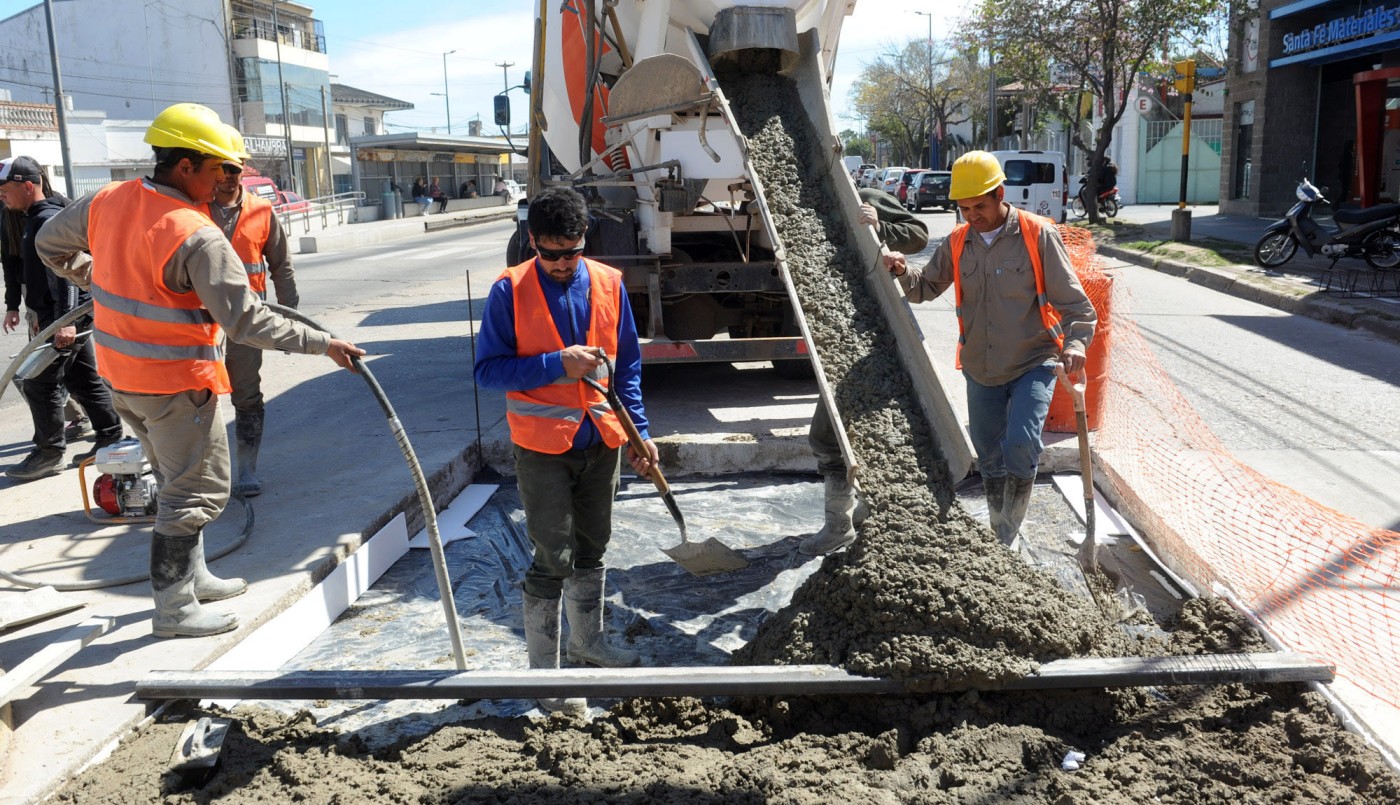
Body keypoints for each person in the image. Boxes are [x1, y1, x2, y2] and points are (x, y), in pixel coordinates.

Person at [37, 103, 366, 639]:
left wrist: (96, 277)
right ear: (186, 165)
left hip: (122, 376)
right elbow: (246, 321)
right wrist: (323, 344)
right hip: (176, 385)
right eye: (219, 169)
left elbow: (48, 243)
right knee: (195, 495)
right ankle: (173, 609)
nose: (228, 180)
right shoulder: (196, 233)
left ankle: (195, 579)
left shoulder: (108, 200)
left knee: (173, 480)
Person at [474, 186, 657, 714]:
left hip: (602, 439)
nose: (560, 263)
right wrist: (557, 363)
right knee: (552, 556)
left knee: (593, 546)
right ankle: (545, 680)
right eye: (549, 252)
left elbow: (627, 369)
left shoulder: (609, 284)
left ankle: (587, 642)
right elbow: (488, 369)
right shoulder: (509, 290)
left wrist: (639, 434)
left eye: (570, 251)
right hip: (542, 447)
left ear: (584, 241)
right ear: (532, 242)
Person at [881, 151, 1096, 551]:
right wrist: (900, 270)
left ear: (1000, 194)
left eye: (979, 206)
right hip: (980, 366)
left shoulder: (1037, 235)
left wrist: (1077, 343)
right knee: (988, 453)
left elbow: (1077, 307)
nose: (971, 216)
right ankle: (1000, 524)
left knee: (1022, 443)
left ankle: (1007, 534)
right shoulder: (959, 242)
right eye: (963, 208)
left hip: (1033, 360)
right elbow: (925, 288)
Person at [799, 187, 928, 555]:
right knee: (836, 435)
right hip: (834, 335)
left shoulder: (863, 195)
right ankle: (856, 520)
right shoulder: (804, 212)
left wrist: (879, 225)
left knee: (831, 435)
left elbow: (918, 233)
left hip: (874, 336)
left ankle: (847, 524)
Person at [0, 156, 124, 482]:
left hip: (66, 317)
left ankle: (49, 453)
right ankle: (110, 436)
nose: (1, 194)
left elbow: (65, 276)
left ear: (28, 185)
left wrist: (65, 321)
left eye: (5, 188)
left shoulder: (47, 218)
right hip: (62, 317)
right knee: (82, 379)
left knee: (37, 382)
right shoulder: (29, 217)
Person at [207, 127, 298, 498]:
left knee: (246, 394)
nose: (228, 177)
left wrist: (290, 320)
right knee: (200, 395)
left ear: (243, 170)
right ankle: (208, 472)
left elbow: (281, 266)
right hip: (202, 322)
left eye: (235, 169)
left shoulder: (261, 212)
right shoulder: (194, 210)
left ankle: (246, 468)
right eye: (222, 169)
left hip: (247, 321)